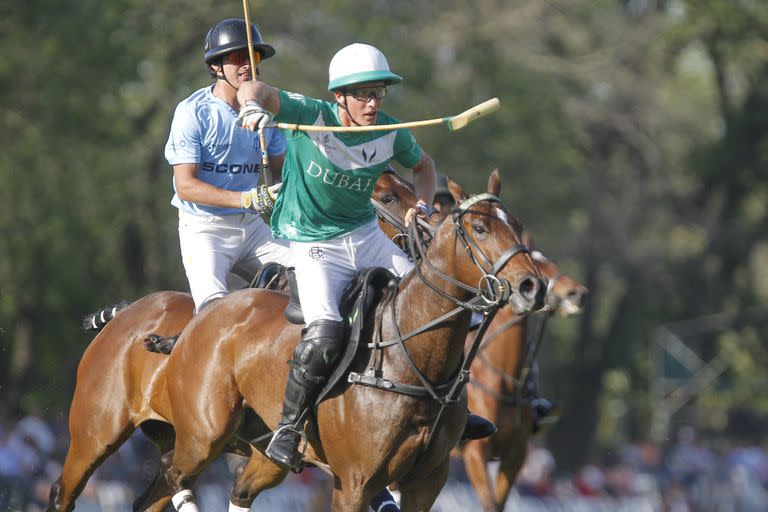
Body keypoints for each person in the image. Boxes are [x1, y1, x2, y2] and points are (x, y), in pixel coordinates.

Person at [237, 42, 495, 470]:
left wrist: (423, 204)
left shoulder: (392, 130)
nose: (373, 103)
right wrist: (251, 107)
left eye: (378, 93)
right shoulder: (310, 114)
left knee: (446, 306)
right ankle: (288, 426)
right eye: (363, 95)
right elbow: (259, 90)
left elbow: (424, 166)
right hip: (313, 241)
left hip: (365, 233)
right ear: (339, 96)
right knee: (324, 336)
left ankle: (453, 408)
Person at [164, 18, 291, 313]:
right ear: (216, 67)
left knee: (314, 276)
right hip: (205, 229)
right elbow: (185, 186)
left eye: (254, 57)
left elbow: (282, 170)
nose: (248, 65)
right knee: (214, 313)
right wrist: (247, 198)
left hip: (254, 227)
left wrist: (281, 198)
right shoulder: (192, 113)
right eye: (237, 57)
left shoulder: (264, 109)